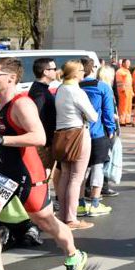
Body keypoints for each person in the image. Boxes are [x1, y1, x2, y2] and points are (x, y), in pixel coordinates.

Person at [0, 57, 89, 270]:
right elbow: (8, 138)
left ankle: (74, 255)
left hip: (28, 176)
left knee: (46, 222)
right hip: (2, 174)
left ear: (11, 78)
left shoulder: (22, 103)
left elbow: (38, 137)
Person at [52, 60, 97, 230]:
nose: (83, 72)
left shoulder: (61, 89)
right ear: (75, 73)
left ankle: (63, 215)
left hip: (62, 135)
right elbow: (93, 116)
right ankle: (71, 219)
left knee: (65, 175)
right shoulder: (77, 92)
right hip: (78, 134)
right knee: (76, 178)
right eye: (81, 70)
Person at [77, 58, 116, 218]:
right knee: (97, 168)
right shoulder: (102, 87)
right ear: (93, 69)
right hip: (97, 133)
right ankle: (94, 204)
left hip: (77, 134)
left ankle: (79, 204)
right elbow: (108, 112)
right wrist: (111, 129)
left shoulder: (72, 87)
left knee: (80, 171)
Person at [30, 58, 58, 174]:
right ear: (46, 72)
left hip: (45, 141)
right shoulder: (40, 92)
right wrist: (47, 142)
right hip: (43, 143)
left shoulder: (41, 89)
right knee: (43, 174)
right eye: (54, 69)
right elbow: (39, 118)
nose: (56, 71)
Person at [115, 59, 133, 125]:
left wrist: (132, 91)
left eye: (129, 63)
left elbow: (130, 83)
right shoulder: (119, 71)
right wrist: (123, 90)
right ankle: (122, 120)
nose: (129, 64)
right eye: (127, 63)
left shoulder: (127, 71)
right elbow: (120, 82)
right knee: (123, 106)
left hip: (129, 91)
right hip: (123, 92)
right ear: (123, 63)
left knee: (128, 106)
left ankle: (127, 120)